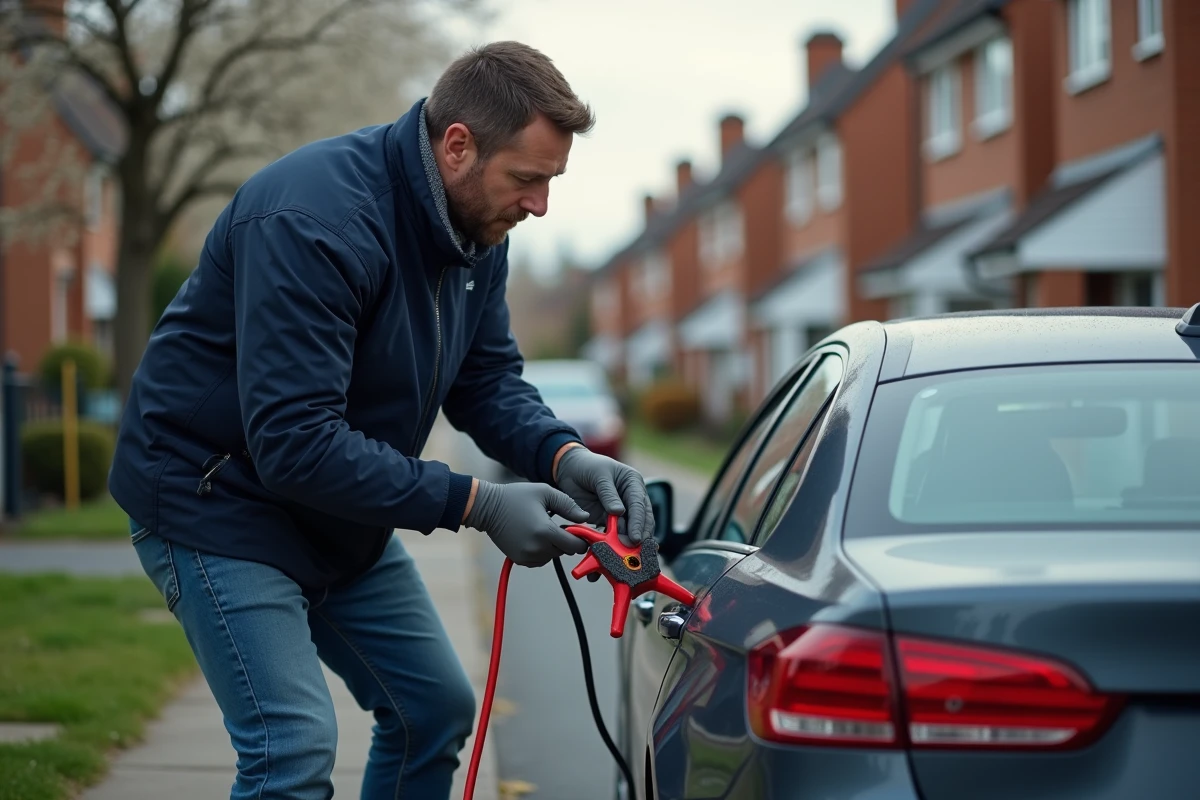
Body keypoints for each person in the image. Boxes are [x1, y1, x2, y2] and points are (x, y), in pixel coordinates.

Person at [107, 40, 653, 800]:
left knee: (433, 709)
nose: (540, 206)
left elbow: (486, 381)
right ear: (457, 145)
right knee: (292, 747)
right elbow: (294, 443)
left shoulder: (478, 233)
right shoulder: (315, 220)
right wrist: (480, 503)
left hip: (335, 512)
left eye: (550, 182)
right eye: (527, 179)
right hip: (218, 502)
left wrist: (567, 458)